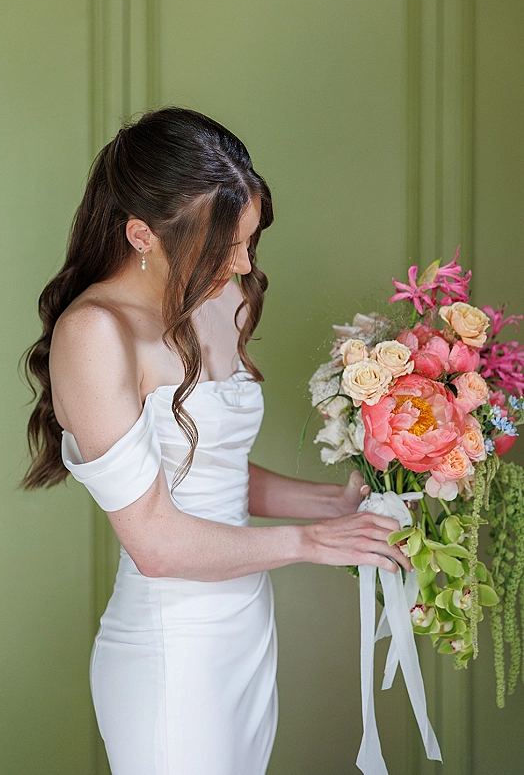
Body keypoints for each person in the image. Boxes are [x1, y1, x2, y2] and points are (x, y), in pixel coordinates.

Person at [21, 107, 411, 775]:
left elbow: (212, 467)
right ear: (142, 233)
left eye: (249, 238)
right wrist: (312, 545)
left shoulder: (224, 302)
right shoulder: (94, 334)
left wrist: (336, 506)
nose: (241, 262)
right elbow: (156, 543)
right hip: (172, 647)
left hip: (245, 630)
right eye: (223, 245)